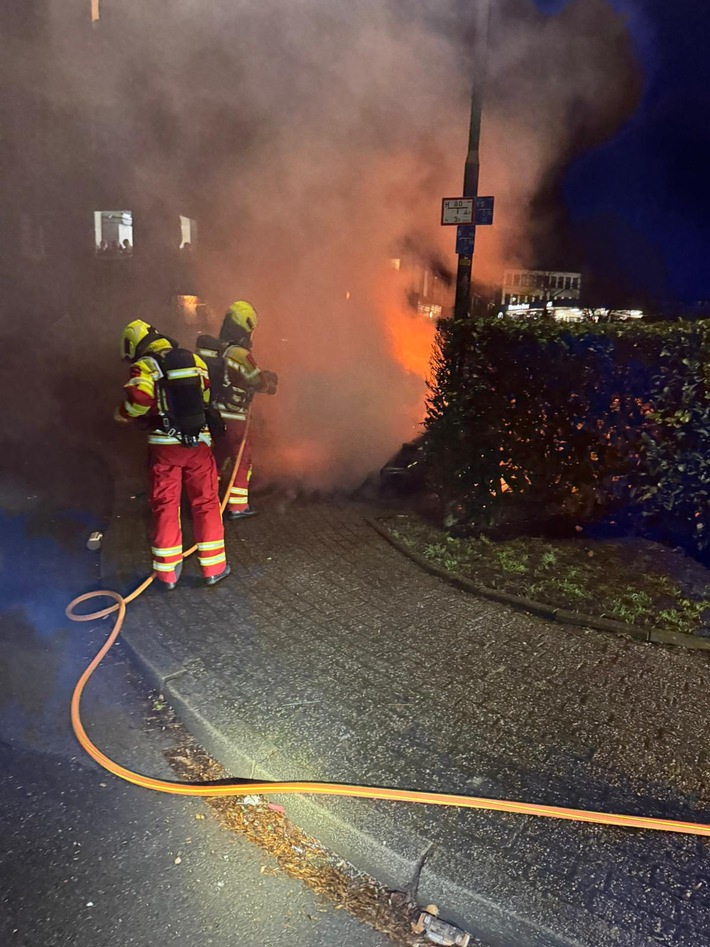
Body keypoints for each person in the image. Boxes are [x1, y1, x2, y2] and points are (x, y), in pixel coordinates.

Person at [115, 319, 230, 589]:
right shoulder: (193, 359)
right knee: (207, 503)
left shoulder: (146, 365)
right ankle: (214, 569)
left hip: (165, 446)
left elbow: (140, 399)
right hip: (199, 442)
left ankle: (167, 575)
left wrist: (123, 413)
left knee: (166, 505)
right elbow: (206, 395)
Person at [196, 300, 278, 519]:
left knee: (216, 456)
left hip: (214, 414)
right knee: (242, 458)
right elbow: (256, 381)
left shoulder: (216, 350)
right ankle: (237, 506)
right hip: (235, 416)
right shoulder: (240, 354)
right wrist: (268, 381)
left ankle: (207, 502)